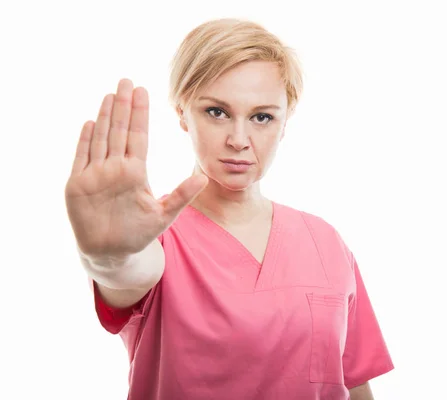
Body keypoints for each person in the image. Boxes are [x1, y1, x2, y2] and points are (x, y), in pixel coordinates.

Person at [65, 18, 394, 400]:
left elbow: (352, 384)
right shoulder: (153, 239)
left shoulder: (326, 242)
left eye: (262, 117)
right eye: (217, 112)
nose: (239, 140)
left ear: (285, 123)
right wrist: (109, 255)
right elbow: (127, 271)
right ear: (182, 111)